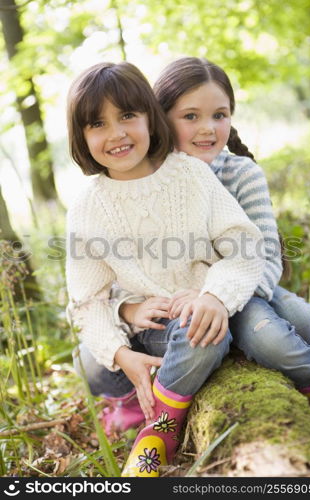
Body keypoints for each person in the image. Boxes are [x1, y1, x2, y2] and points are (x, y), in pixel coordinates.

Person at [66, 61, 265, 477]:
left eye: (127, 116)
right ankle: (140, 392)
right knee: (91, 361)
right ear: (81, 137)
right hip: (145, 332)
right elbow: (87, 300)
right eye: (97, 124)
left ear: (150, 119)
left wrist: (214, 296)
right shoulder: (86, 205)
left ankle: (159, 428)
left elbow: (245, 246)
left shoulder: (190, 174)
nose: (117, 133)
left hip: (198, 315)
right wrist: (123, 354)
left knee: (206, 335)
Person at [115, 57, 310, 417]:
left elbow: (266, 256)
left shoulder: (242, 173)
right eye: (190, 116)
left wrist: (218, 297)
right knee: (270, 340)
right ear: (160, 117)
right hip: (183, 305)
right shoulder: (147, 181)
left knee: (303, 320)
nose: (207, 128)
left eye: (219, 115)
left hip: (247, 288)